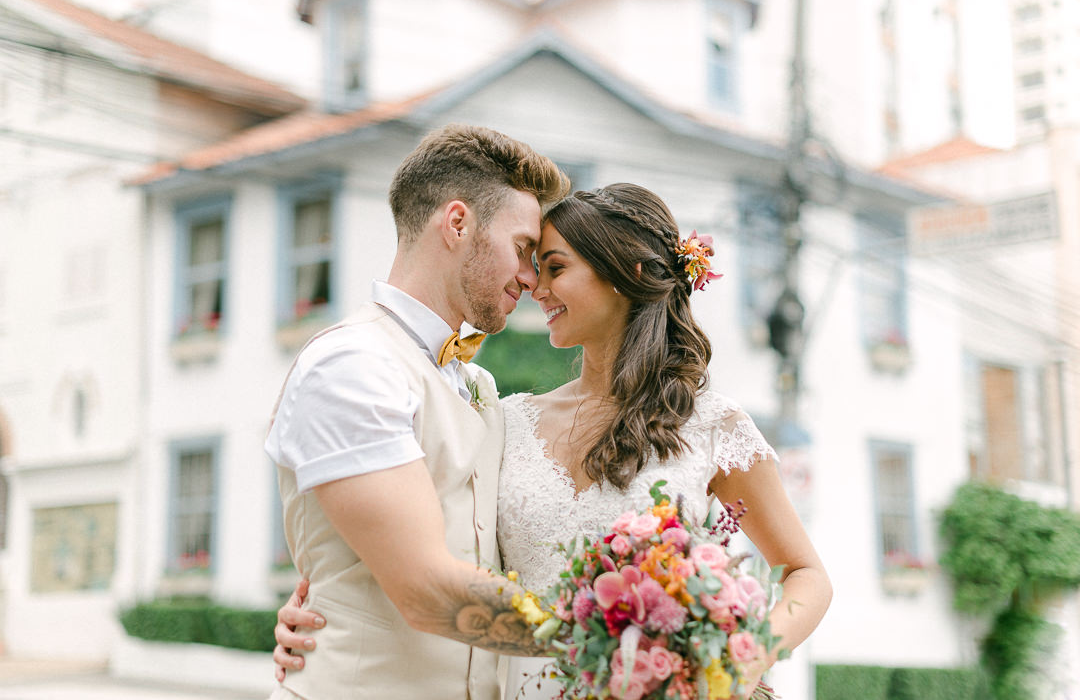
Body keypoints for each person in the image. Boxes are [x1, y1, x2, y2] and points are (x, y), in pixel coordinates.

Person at [275, 184, 832, 700]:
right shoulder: (503, 419)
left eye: (555, 268)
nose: (534, 288)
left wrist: (736, 659)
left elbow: (805, 573)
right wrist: (326, 599)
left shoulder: (714, 425)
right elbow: (442, 544)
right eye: (534, 267)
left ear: (624, 273)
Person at [264, 123, 570, 700]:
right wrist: (622, 633)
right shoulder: (351, 365)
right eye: (524, 250)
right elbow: (425, 589)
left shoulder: (475, 381)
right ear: (457, 223)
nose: (531, 279)